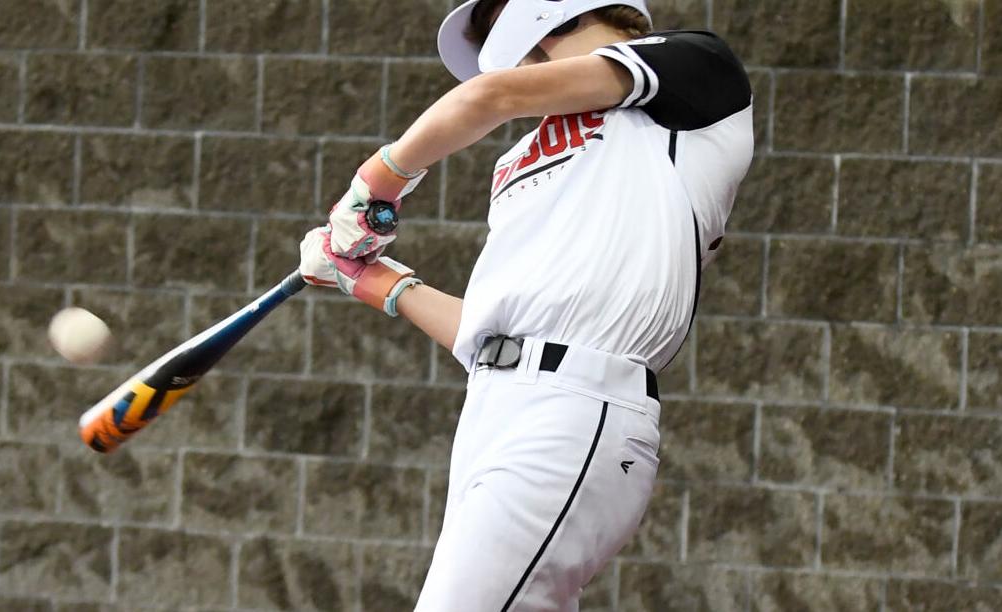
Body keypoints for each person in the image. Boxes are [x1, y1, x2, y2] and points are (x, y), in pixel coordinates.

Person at [298, 0, 754, 609]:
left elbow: (486, 99)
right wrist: (372, 280)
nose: (504, 54)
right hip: (494, 407)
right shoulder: (518, 156)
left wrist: (375, 190)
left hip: (577, 406)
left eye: (498, 28)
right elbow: (495, 331)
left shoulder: (692, 68)